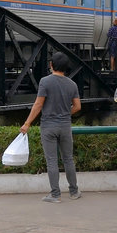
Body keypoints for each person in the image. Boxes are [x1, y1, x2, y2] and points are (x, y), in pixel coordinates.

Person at [20, 52, 82, 202]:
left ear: (51, 65)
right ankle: (74, 191)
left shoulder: (45, 82)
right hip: (65, 125)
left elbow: (38, 104)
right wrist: (66, 113)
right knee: (68, 159)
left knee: (52, 161)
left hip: (48, 126)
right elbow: (78, 107)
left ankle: (55, 194)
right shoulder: (72, 84)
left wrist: (27, 123)